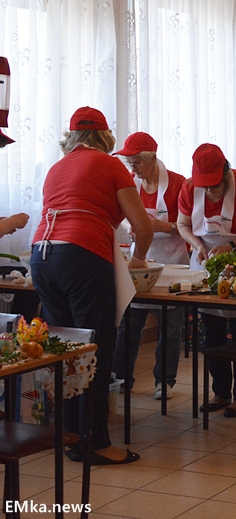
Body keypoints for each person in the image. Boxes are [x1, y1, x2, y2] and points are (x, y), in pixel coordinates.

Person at [30, 106, 153, 464]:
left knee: (67, 350)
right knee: (94, 350)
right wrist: (139, 262)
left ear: (71, 137)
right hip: (82, 256)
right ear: (105, 137)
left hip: (42, 256)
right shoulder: (110, 164)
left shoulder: (56, 167)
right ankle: (97, 442)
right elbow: (142, 228)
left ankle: (71, 436)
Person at [177, 144, 236, 417]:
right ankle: (220, 392)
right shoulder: (189, 189)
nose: (210, 192)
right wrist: (197, 245)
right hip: (205, 263)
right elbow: (182, 225)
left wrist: (233, 246)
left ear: (226, 172)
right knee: (211, 333)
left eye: (214, 187)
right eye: (205, 187)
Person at [112, 132, 189, 399]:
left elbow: (188, 227)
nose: (132, 169)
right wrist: (133, 230)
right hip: (140, 261)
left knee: (170, 326)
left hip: (173, 262)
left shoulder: (179, 184)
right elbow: (121, 218)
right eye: (129, 164)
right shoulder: (130, 184)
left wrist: (162, 227)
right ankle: (122, 378)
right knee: (129, 322)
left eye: (136, 163)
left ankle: (164, 382)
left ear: (153, 159)